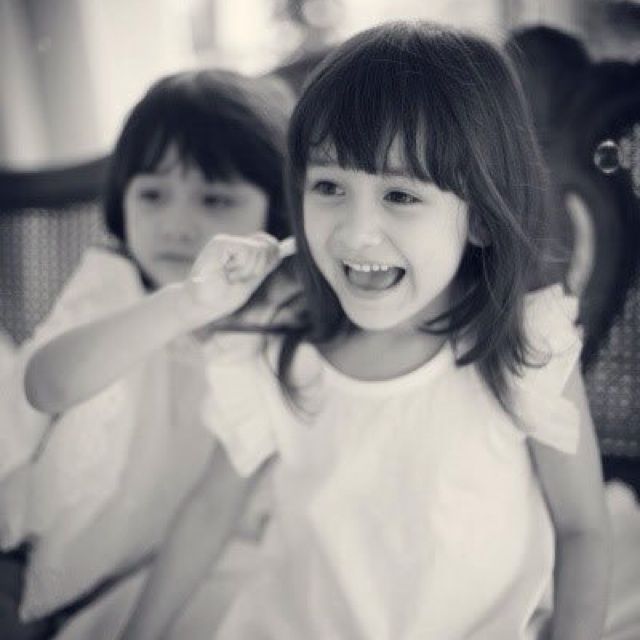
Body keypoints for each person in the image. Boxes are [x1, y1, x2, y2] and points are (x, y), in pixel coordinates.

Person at [28, 21, 611, 640]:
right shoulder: (278, 344)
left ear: (482, 218)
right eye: (330, 186)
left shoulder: (527, 347)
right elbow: (211, 510)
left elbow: (582, 528)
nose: (354, 233)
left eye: (400, 196)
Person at [2, 68, 293, 630]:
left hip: (146, 568)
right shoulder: (112, 286)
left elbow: (218, 502)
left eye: (215, 198)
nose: (176, 225)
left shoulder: (269, 329)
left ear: (274, 212)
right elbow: (46, 385)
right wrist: (184, 304)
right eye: (153, 195)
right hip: (27, 557)